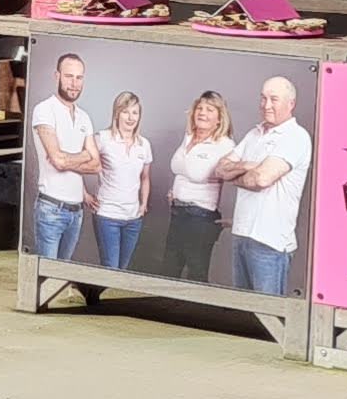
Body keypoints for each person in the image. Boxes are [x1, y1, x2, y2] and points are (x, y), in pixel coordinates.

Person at [223, 75, 314, 295]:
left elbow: (261, 179)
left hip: (271, 242)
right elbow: (221, 168)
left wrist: (236, 175)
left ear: (291, 103)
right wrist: (249, 165)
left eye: (274, 99)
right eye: (263, 98)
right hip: (242, 235)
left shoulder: (296, 137)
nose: (266, 105)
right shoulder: (254, 134)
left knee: (267, 311)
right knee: (241, 309)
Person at [26, 52, 101, 262]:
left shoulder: (84, 117)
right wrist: (84, 155)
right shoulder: (44, 110)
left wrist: (67, 160)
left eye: (79, 77)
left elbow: (96, 165)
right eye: (69, 76)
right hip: (51, 209)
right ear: (57, 76)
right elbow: (58, 161)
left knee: (62, 272)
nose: (74, 83)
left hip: (76, 212)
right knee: (47, 274)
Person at [160, 91, 237, 283]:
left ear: (219, 119)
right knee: (169, 271)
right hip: (178, 213)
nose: (202, 113)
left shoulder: (225, 144)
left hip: (201, 218)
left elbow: (231, 177)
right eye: (200, 108)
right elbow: (183, 171)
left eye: (210, 109)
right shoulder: (188, 137)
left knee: (196, 274)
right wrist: (175, 191)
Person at [90, 91, 152, 269]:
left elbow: (145, 177)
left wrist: (143, 204)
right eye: (125, 112)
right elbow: (78, 165)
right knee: (111, 268)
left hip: (133, 218)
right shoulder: (102, 138)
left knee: (122, 270)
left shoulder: (144, 145)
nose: (131, 118)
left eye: (135, 112)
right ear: (117, 113)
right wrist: (85, 195)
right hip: (107, 215)